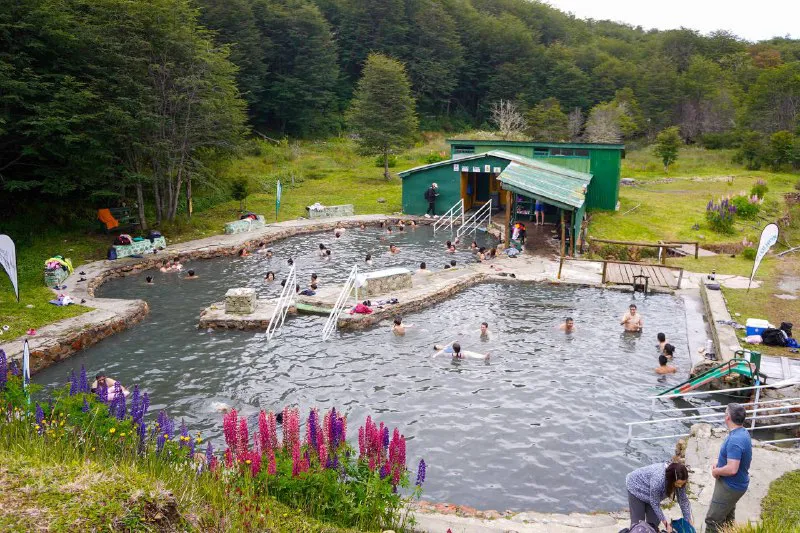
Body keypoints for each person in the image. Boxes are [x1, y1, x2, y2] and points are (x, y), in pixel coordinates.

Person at [705, 403, 752, 533]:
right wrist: (718, 463)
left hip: (730, 486)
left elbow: (732, 469)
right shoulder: (742, 433)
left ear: (728, 418)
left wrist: (716, 471)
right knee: (728, 519)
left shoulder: (735, 440)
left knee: (712, 520)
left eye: (725, 412)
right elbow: (732, 458)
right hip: (736, 485)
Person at [626, 462, 692, 532]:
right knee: (638, 524)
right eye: (678, 483)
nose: (680, 486)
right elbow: (654, 503)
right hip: (636, 487)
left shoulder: (680, 480)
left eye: (682, 483)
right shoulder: (659, 480)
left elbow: (683, 501)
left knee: (654, 522)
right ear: (671, 479)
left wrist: (688, 521)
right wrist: (666, 525)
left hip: (652, 492)